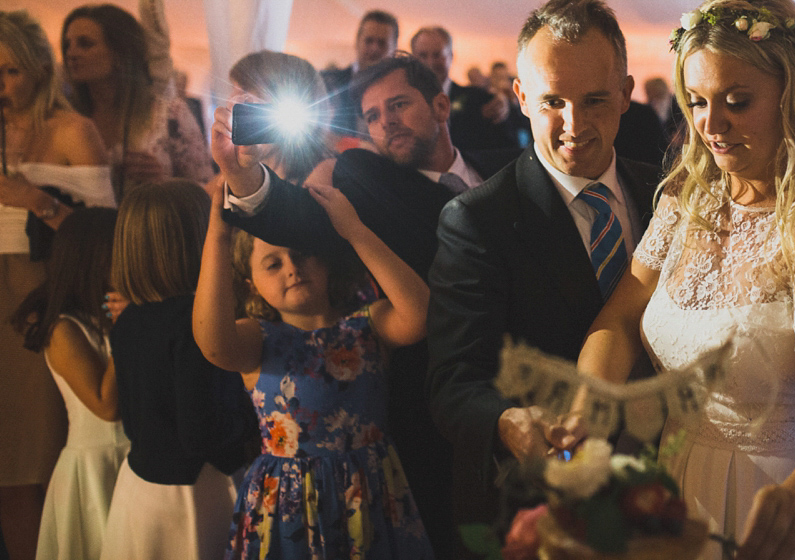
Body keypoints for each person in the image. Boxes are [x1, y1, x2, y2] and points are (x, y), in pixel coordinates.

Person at [569, 0, 795, 560]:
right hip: (677, 485)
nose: (710, 124)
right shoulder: (684, 203)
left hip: (784, 497)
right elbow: (620, 317)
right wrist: (589, 406)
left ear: (791, 95)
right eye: (696, 100)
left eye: (737, 100)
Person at [215, 54, 510, 560]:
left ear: (440, 104)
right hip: (430, 411)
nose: (385, 122)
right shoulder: (362, 180)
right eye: (372, 116)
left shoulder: (506, 165)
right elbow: (297, 223)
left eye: (397, 105)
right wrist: (243, 181)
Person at [425, 0, 661, 537]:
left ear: (626, 94)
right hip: (544, 506)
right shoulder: (478, 220)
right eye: (553, 100)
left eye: (595, 99)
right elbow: (452, 382)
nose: (573, 124)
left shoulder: (667, 196)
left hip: (668, 488)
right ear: (522, 97)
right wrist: (507, 422)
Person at [194, 185, 434, 559]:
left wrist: (354, 231)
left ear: (325, 260)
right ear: (250, 283)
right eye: (272, 263)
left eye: (302, 254)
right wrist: (219, 236)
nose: (292, 268)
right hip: (288, 507)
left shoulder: (367, 325)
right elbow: (212, 342)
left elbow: (421, 315)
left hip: (369, 497)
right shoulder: (256, 339)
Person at [0, 10, 115, 560]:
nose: (0, 86)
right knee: (7, 468)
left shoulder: (73, 130)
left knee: (39, 449)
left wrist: (37, 201)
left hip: (42, 296)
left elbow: (104, 239)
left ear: (39, 68)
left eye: (10, 72)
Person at [100, 180, 256, 560]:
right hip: (197, 493)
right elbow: (199, 431)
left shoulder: (129, 319)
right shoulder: (197, 322)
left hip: (140, 488)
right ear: (198, 239)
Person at [60, 0, 212, 196]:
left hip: (153, 236)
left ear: (119, 52)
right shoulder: (68, 114)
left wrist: (163, 183)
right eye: (67, 44)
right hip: (84, 239)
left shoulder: (165, 112)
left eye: (86, 44)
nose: (72, 53)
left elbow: (206, 188)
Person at [9, 208, 125, 560]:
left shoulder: (110, 313)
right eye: (119, 248)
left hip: (134, 457)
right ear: (93, 256)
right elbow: (105, 406)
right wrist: (128, 330)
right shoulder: (64, 329)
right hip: (95, 466)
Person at [228, 50, 336, 184]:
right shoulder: (233, 177)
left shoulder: (325, 174)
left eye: (246, 92)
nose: (232, 102)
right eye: (233, 90)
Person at [411, 25, 517, 152]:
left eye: (437, 55)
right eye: (422, 55)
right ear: (413, 59)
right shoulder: (402, 103)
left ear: (451, 56)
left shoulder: (480, 99)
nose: (430, 63)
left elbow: (506, 146)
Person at [321, 9, 399, 140]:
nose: (374, 48)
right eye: (369, 41)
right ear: (357, 41)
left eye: (382, 43)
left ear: (394, 48)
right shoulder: (328, 82)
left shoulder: (401, 91)